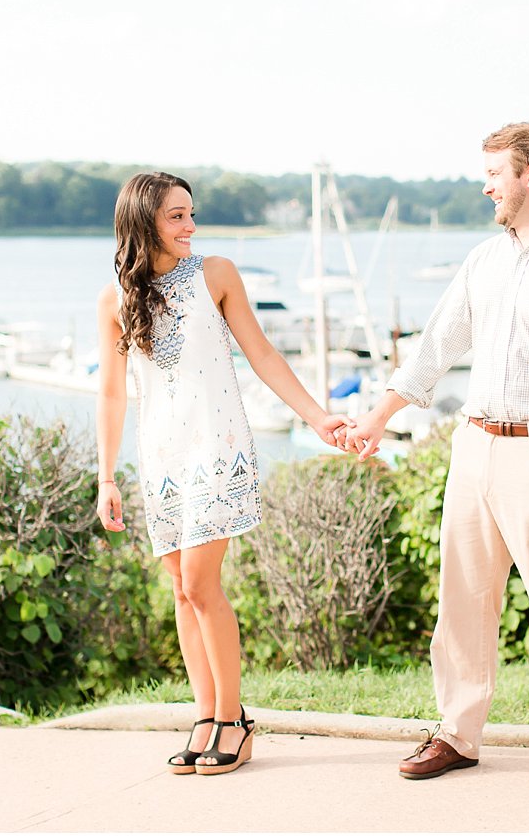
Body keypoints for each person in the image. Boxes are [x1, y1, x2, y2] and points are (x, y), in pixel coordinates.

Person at [343, 118, 529, 794]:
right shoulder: (485, 259)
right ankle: (457, 733)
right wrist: (378, 418)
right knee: (463, 600)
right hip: (474, 447)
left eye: (494, 175)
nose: (486, 189)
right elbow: (436, 344)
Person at [94, 170, 352, 776]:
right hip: (161, 459)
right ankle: (205, 716)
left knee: (203, 585)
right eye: (176, 216)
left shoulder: (217, 275)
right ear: (142, 224)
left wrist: (315, 417)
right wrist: (107, 475)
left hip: (219, 448)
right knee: (181, 589)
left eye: (191, 214)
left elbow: (261, 353)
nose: (190, 226)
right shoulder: (114, 298)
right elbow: (110, 393)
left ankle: (234, 720)